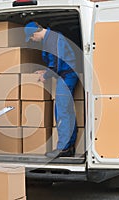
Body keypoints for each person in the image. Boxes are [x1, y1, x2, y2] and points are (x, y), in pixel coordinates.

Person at [24, 21, 79, 158]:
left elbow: (56, 63)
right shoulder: (52, 37)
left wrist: (46, 75)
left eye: (31, 38)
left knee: (62, 112)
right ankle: (69, 146)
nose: (32, 40)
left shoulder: (52, 40)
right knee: (66, 111)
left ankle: (63, 148)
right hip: (67, 74)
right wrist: (45, 71)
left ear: (35, 32)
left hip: (66, 77)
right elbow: (55, 62)